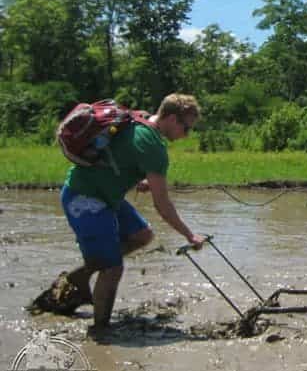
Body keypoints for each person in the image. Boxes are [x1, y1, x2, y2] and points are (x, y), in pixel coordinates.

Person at [58, 93, 206, 332]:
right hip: (85, 199)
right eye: (186, 128)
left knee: (142, 235)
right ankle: (101, 333)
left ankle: (81, 275)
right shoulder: (153, 146)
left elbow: (120, 156)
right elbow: (163, 205)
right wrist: (190, 236)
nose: (187, 135)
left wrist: (139, 178)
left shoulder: (141, 121)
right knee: (112, 268)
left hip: (101, 196)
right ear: (170, 118)